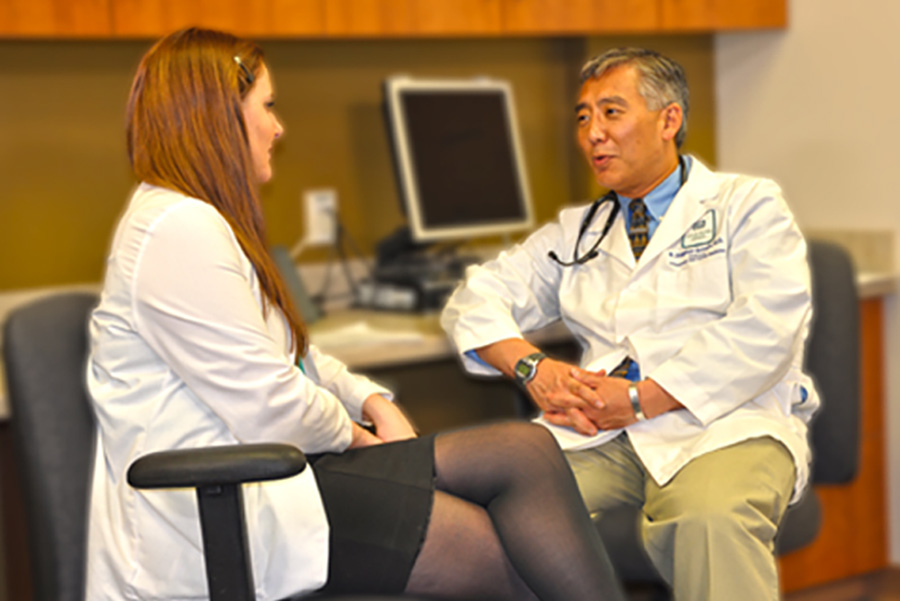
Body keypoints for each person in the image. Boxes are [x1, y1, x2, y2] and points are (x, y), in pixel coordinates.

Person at [84, 27, 626, 601]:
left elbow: (293, 357)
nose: (277, 127)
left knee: (524, 451)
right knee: (516, 563)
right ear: (218, 118)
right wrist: (360, 439)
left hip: (277, 480)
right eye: (267, 106)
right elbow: (270, 404)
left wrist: (371, 402)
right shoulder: (178, 230)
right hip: (228, 511)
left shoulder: (196, 220)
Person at [441, 47, 818, 601]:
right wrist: (533, 368)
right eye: (583, 116)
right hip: (603, 430)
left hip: (725, 420)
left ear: (669, 120)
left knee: (709, 520)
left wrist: (643, 399)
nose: (593, 133)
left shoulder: (745, 205)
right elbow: (474, 298)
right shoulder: (580, 230)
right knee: (488, 518)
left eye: (611, 112)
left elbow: (767, 328)